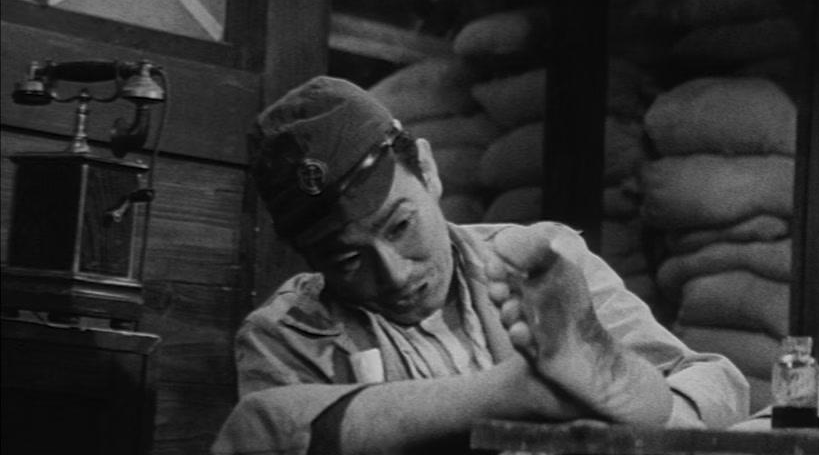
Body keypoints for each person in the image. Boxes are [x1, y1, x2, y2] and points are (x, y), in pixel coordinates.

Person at [213, 76, 748, 454]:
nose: (394, 274)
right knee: (275, 424)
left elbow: (720, 386)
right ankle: (525, 390)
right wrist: (515, 397)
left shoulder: (537, 264)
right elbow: (266, 436)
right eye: (346, 259)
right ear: (307, 256)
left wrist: (642, 422)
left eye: (400, 227)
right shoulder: (285, 336)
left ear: (428, 170)